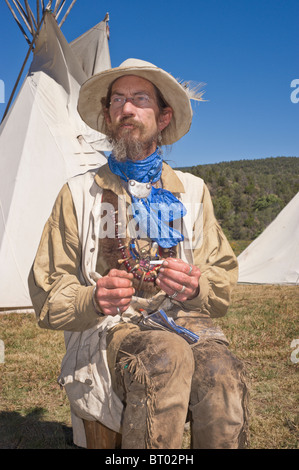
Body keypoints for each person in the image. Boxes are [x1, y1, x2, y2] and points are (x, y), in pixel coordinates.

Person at [28, 58, 249, 449]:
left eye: (139, 99)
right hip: (111, 329)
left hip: (182, 320)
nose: (126, 109)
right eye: (117, 100)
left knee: (223, 372)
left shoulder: (192, 192)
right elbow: (48, 296)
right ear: (108, 115)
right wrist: (92, 297)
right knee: (164, 358)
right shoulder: (79, 194)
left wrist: (197, 287)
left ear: (163, 118)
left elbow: (222, 278)